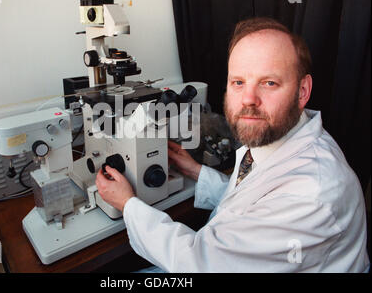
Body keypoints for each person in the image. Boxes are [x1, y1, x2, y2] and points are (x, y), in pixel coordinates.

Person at [95, 17, 370, 272]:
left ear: (302, 91)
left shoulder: (311, 195)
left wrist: (127, 203)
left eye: (269, 82)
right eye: (238, 82)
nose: (248, 99)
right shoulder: (286, 139)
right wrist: (195, 171)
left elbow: (199, 264)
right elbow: (250, 201)